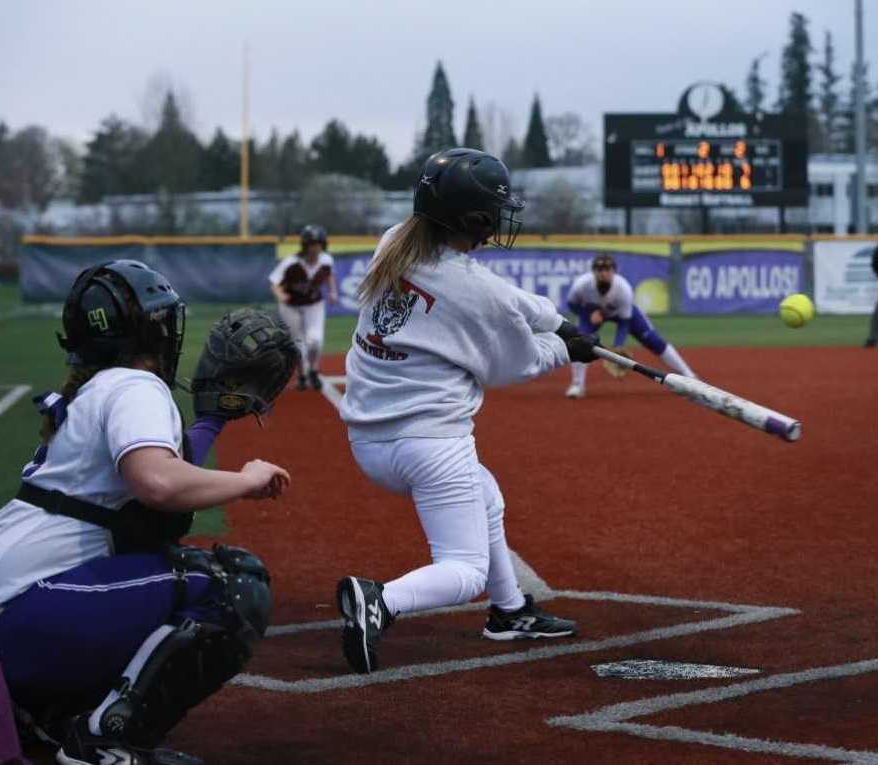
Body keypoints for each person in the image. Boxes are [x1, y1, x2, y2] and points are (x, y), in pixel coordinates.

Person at [0, 260, 291, 765]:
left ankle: (48, 714)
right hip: (28, 617)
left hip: (5, 622)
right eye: (159, 321)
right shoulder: (135, 386)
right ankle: (104, 743)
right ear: (143, 330)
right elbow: (157, 482)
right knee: (233, 585)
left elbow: (150, 505)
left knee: (154, 553)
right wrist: (246, 480)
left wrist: (211, 420)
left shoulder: (99, 389)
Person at [334, 147, 599, 674]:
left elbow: (501, 296)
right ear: (472, 217)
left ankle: (510, 611)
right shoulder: (477, 293)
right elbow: (513, 365)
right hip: (431, 443)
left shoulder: (396, 242)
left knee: (487, 496)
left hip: (368, 438)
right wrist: (565, 347)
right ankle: (380, 600)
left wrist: (553, 318)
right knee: (463, 570)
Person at [563, 254, 696, 398]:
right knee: (580, 342)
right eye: (599, 269)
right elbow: (571, 304)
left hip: (622, 315)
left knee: (654, 340)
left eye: (607, 269)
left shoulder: (623, 288)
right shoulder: (582, 285)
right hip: (593, 315)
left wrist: (617, 348)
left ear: (614, 271)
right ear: (593, 271)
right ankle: (577, 385)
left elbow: (624, 321)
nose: (603, 272)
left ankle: (690, 376)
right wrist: (588, 313)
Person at [268, 224, 338, 391]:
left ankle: (313, 370)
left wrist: (333, 291)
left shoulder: (326, 260)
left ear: (323, 245)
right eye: (311, 244)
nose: (314, 247)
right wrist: (280, 295)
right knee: (298, 344)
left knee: (315, 341)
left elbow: (329, 275)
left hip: (314, 304)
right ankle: (302, 374)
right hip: (290, 306)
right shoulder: (291, 262)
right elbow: (274, 281)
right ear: (304, 245)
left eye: (318, 243)